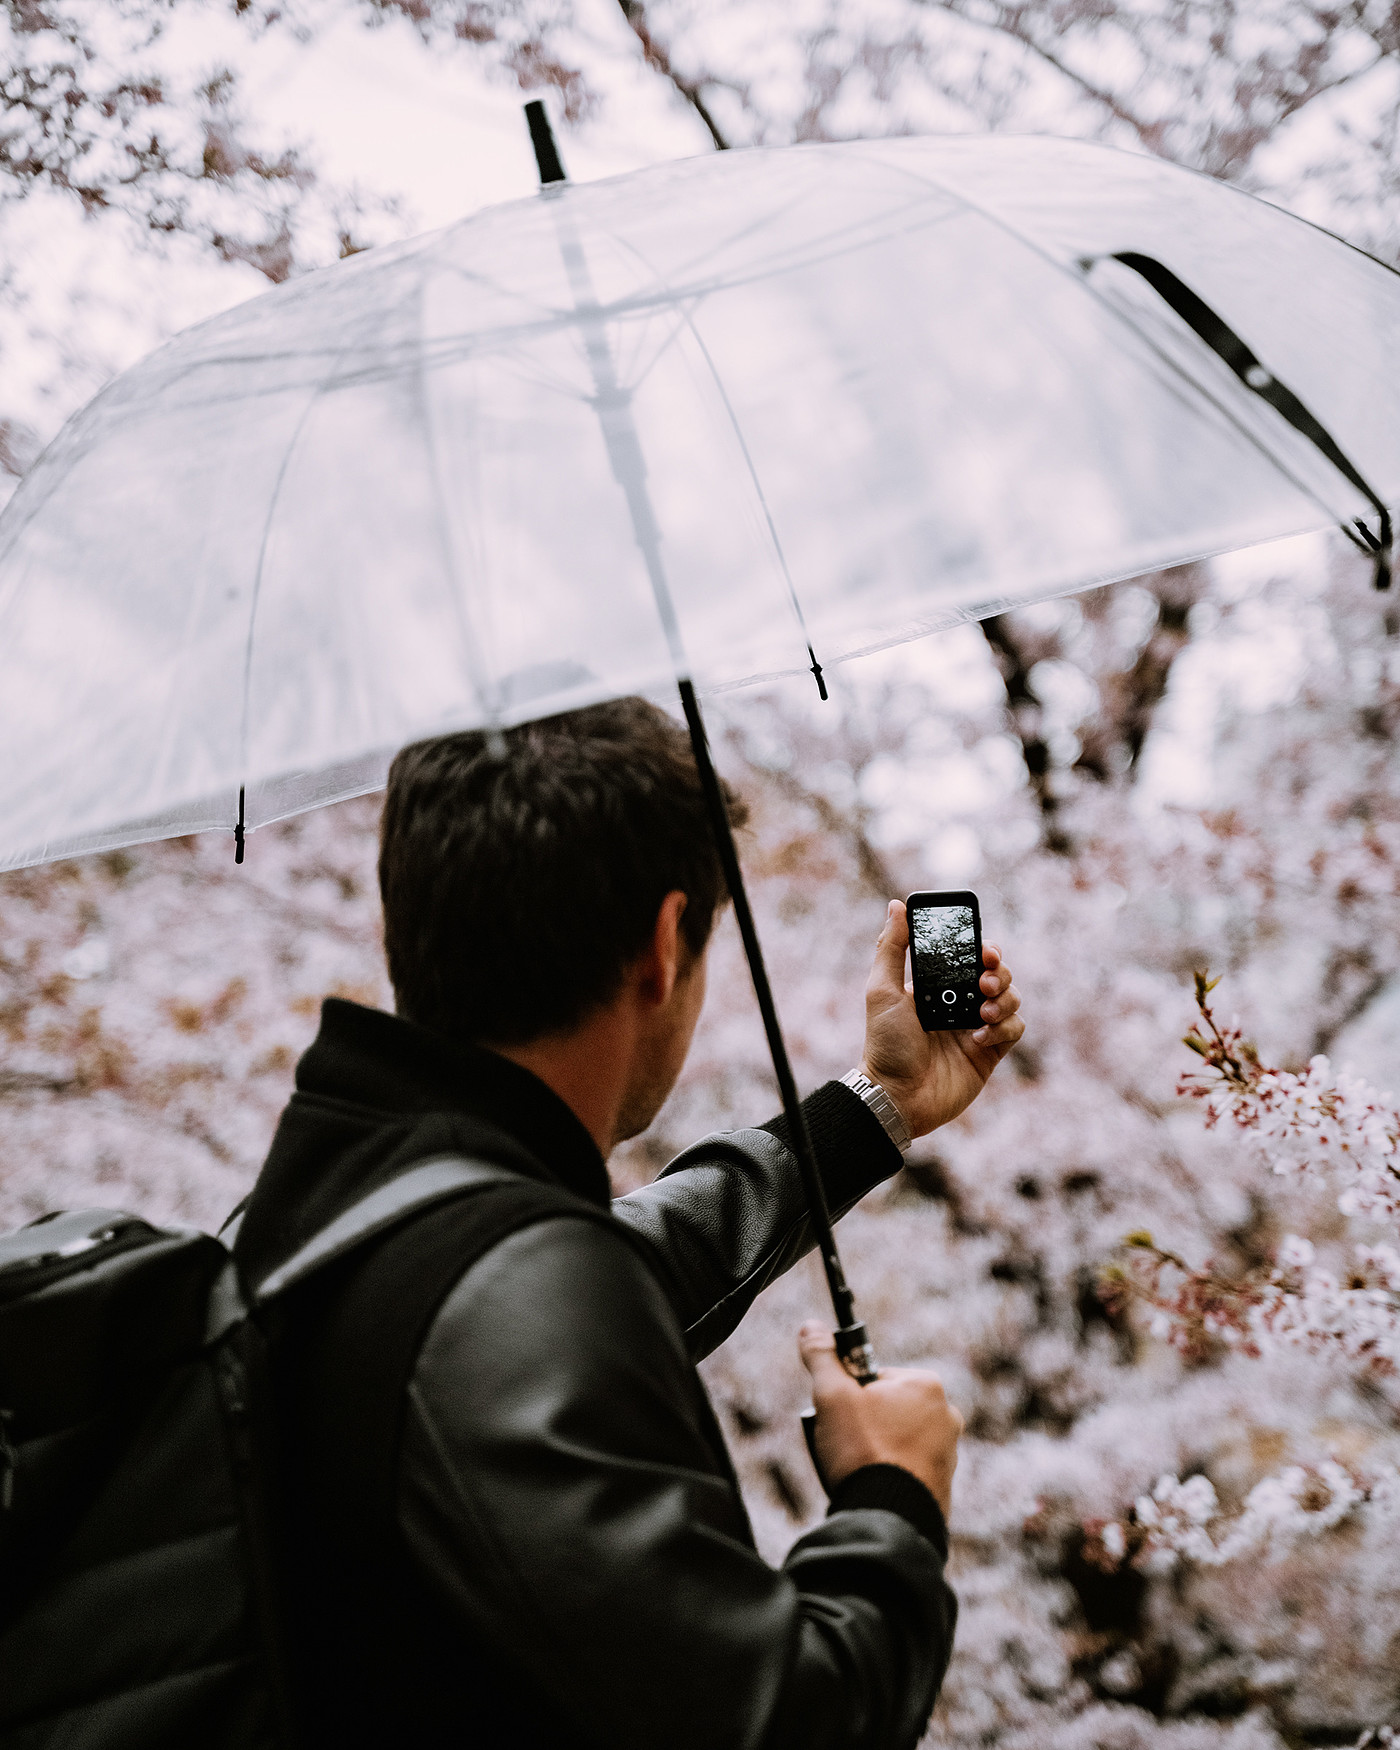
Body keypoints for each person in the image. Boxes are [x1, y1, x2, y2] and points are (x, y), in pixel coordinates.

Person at [233, 696, 1024, 1750]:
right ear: (663, 944)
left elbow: (632, 1259)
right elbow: (783, 1717)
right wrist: (892, 1500)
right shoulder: (508, 1296)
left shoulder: (348, 1183)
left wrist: (879, 1103)